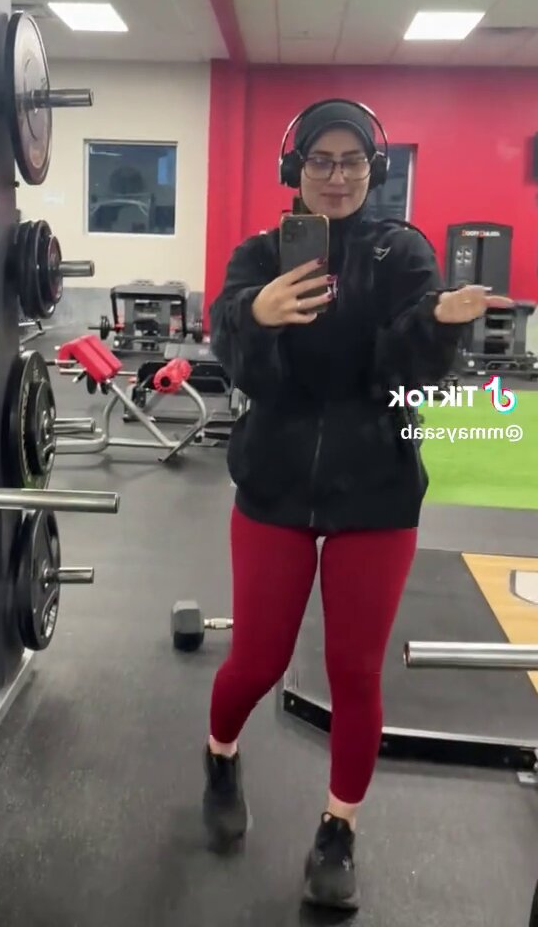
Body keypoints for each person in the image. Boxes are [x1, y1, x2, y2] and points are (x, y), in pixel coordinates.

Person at [201, 99, 512, 910]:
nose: (336, 176)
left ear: (373, 170)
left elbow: (408, 373)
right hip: (274, 482)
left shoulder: (401, 251)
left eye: (352, 161)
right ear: (295, 168)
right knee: (256, 662)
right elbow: (234, 353)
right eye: (320, 160)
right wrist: (255, 316)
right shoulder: (260, 253)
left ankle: (338, 828)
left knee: (355, 671)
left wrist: (436, 323)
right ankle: (220, 753)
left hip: (376, 487)